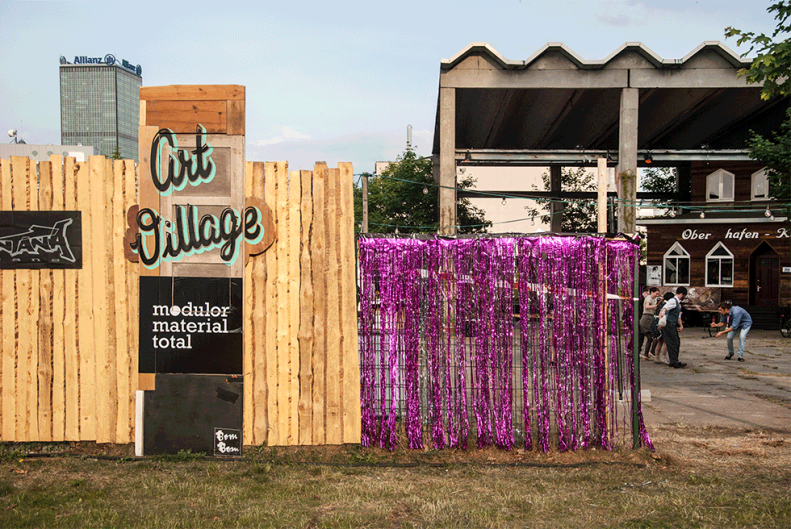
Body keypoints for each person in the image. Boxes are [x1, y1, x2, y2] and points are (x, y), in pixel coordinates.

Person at [658, 286, 687, 368]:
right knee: (673, 343)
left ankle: (673, 360)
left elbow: (677, 316)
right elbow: (665, 308)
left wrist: (681, 325)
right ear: (682, 294)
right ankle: (674, 361)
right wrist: (662, 313)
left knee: (675, 342)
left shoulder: (677, 303)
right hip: (669, 325)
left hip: (671, 325)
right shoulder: (673, 301)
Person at [639, 287, 661, 358]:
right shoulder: (648, 298)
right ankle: (651, 352)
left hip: (649, 317)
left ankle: (647, 353)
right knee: (654, 336)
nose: (656, 295)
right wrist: (655, 306)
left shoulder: (652, 299)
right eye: (656, 293)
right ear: (652, 292)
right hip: (647, 318)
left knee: (650, 337)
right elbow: (647, 306)